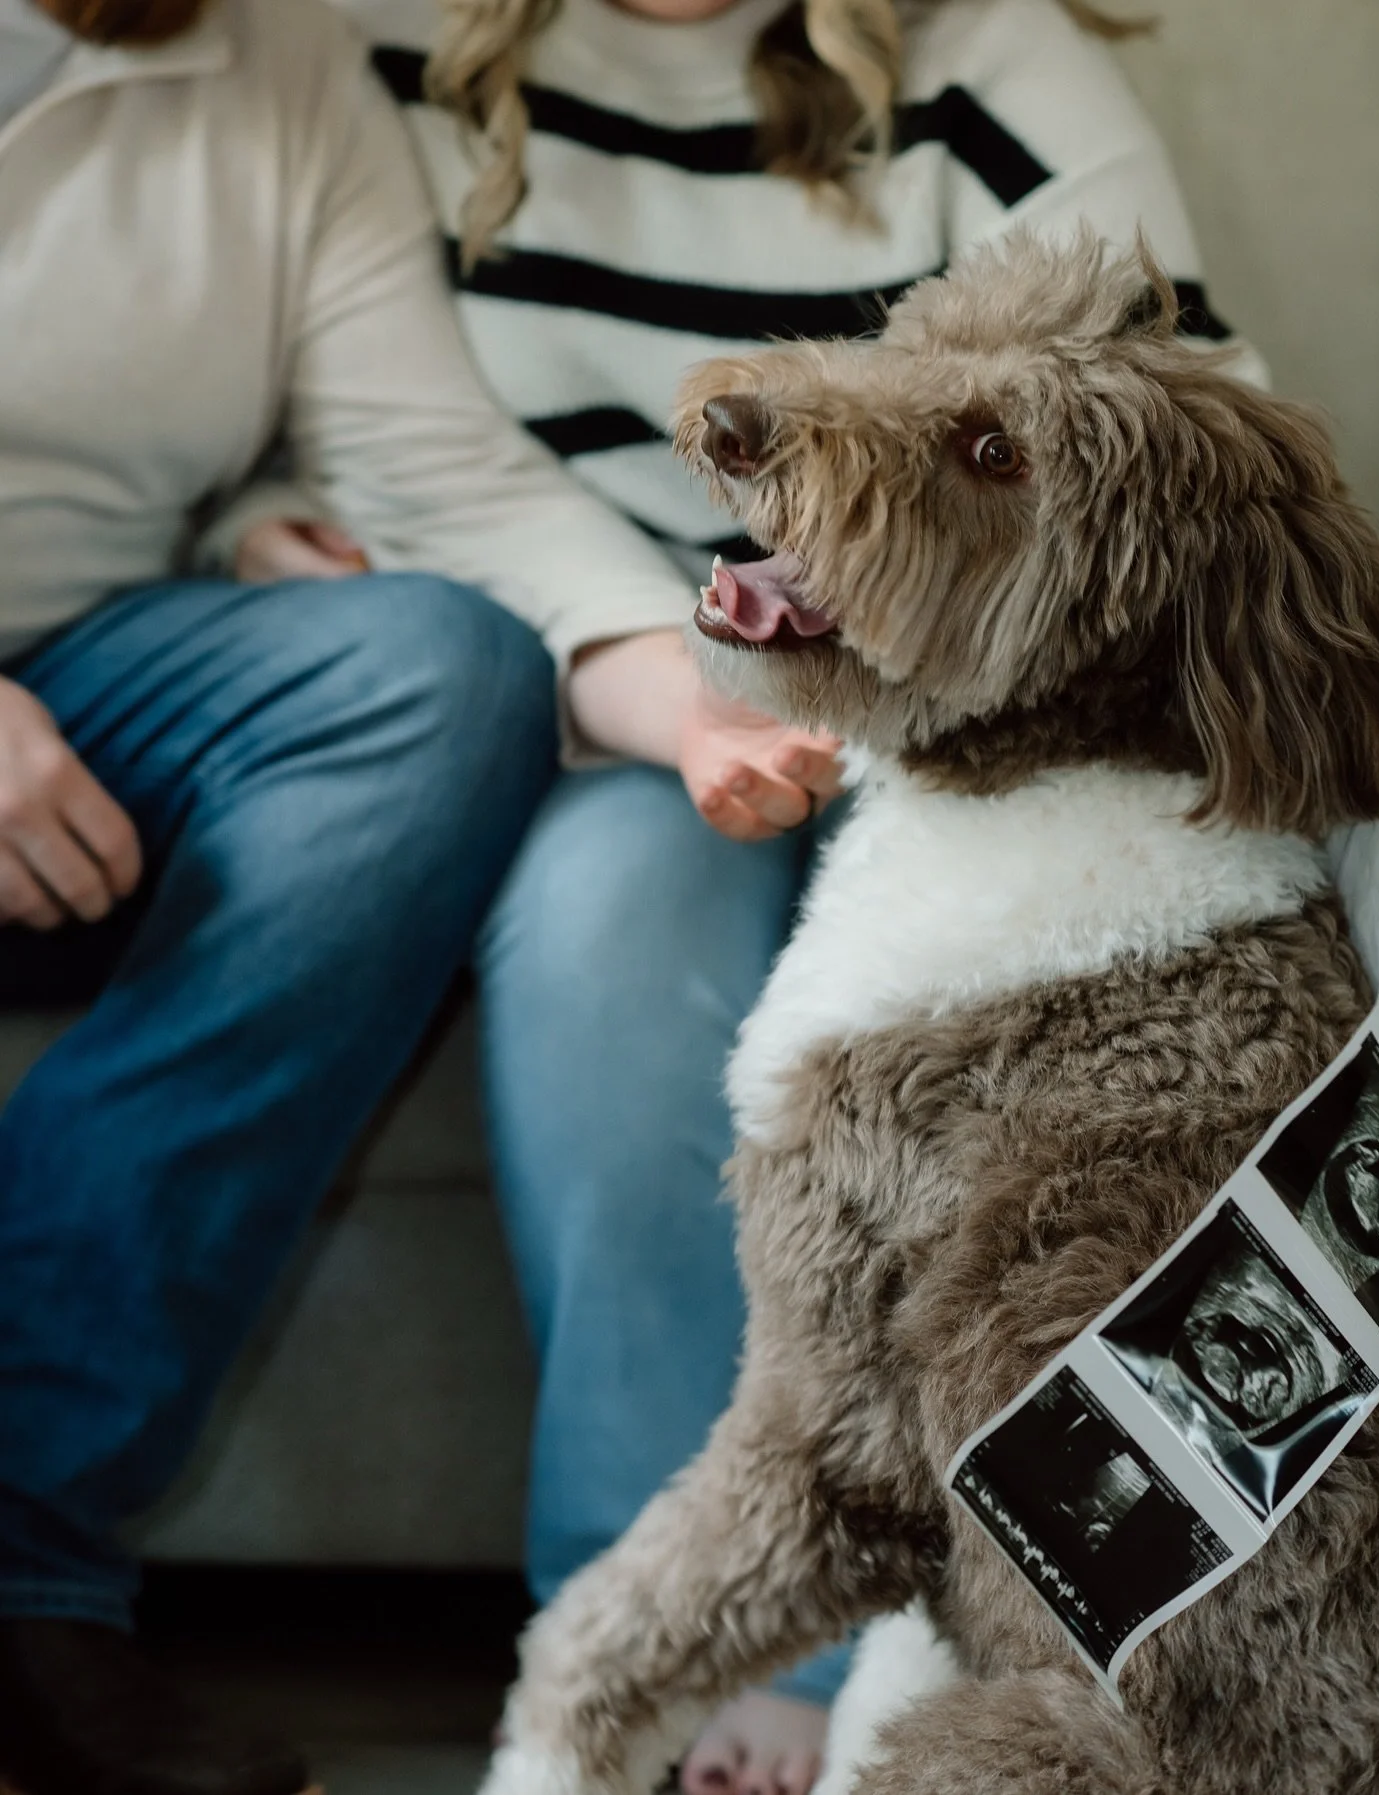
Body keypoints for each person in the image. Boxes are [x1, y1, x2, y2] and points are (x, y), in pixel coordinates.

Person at [234, 0, 1263, 1786]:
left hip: (947, 714)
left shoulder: (978, 60)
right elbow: (331, 405)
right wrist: (266, 514)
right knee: (617, 935)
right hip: (606, 714)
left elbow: (1193, 431)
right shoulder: (386, 56)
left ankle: (908, 1646)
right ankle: (665, 1649)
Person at [0, 0, 741, 1790]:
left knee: (439, 668)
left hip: (102, 693)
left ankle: (18, 1576)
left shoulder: (281, 58)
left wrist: (697, 701)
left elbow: (437, 469)